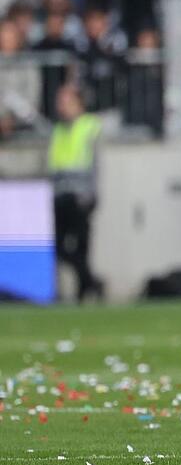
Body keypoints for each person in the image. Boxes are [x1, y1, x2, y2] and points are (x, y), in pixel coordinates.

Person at [48, 84, 104, 302]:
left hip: (80, 195)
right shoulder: (58, 129)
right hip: (60, 195)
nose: (61, 106)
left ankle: (84, 291)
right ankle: (92, 282)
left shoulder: (90, 126)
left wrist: (93, 194)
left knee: (81, 247)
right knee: (61, 248)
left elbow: (98, 165)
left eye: (65, 101)